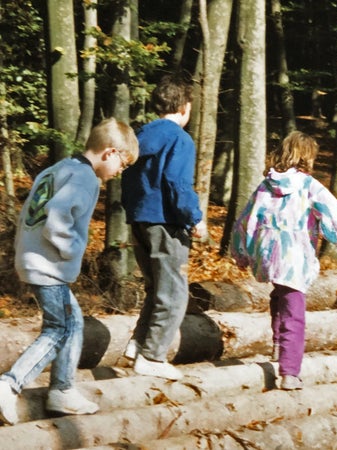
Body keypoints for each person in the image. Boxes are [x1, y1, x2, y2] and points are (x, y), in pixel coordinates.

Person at [0, 118, 139, 425]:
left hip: (36, 259)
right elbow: (57, 221)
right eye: (123, 164)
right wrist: (72, 250)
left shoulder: (60, 168)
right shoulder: (85, 178)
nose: (119, 173)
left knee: (72, 322)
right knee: (58, 329)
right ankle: (10, 383)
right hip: (47, 264)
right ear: (109, 153)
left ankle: (62, 390)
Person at [231, 130, 337, 390]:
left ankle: (279, 344)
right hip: (294, 256)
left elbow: (246, 219)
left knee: (279, 295)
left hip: (268, 254)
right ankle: (290, 372)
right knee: (295, 311)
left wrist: (242, 252)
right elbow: (333, 214)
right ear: (307, 157)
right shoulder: (308, 185)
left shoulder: (265, 186)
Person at [121, 74, 207, 381]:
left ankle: (137, 345)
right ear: (184, 107)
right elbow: (177, 182)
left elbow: (128, 178)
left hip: (139, 220)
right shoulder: (179, 139)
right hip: (167, 223)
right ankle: (152, 356)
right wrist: (194, 217)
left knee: (156, 288)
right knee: (174, 292)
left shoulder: (140, 136)